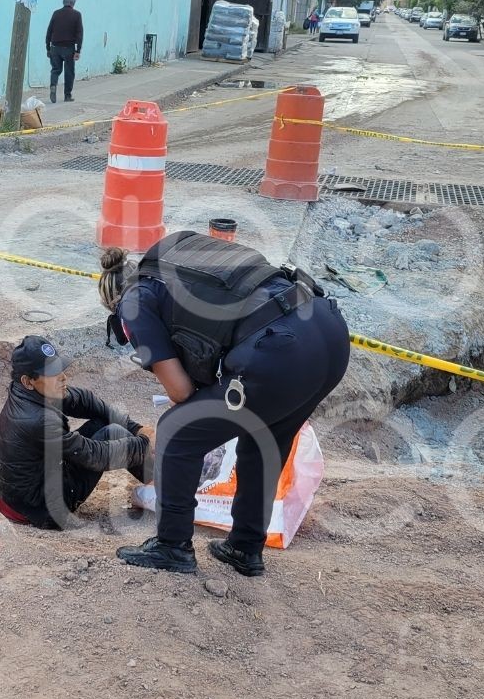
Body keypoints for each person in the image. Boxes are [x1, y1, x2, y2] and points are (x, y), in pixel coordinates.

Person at [98, 232, 350, 577]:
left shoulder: (134, 303)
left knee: (176, 430)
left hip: (282, 347)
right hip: (327, 327)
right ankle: (244, 548)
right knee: (264, 436)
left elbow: (180, 391)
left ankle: (172, 546)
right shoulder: (175, 265)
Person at [0, 335, 155, 529]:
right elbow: (94, 455)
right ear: (28, 381)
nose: (63, 377)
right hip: (39, 509)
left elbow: (84, 400)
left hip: (22, 494)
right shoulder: (37, 420)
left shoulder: (27, 392)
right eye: (52, 373)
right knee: (113, 432)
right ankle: (165, 489)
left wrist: (136, 428)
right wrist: (145, 442)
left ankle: (158, 483)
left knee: (103, 421)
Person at [46, 0, 84, 103]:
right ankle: (67, 96)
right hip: (69, 48)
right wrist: (78, 50)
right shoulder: (77, 15)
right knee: (69, 72)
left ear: (64, 2)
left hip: (55, 47)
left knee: (55, 70)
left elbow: (49, 31)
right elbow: (79, 34)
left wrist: (48, 48)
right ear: (73, 3)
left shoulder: (56, 13)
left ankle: (53, 86)